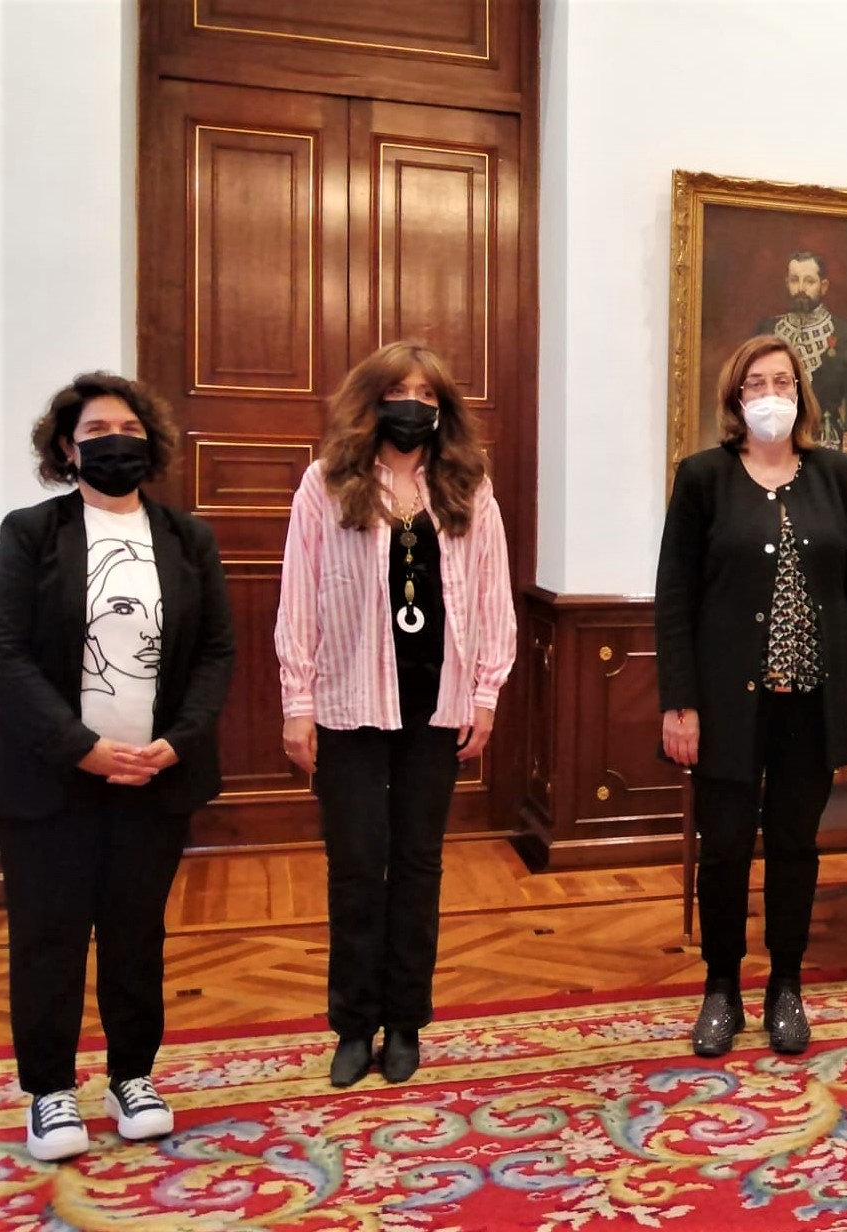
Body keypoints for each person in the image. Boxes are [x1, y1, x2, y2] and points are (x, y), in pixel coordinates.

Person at [0, 373, 234, 1161]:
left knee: (136, 936)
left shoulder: (187, 538)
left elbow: (215, 652)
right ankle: (50, 1090)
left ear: (151, 443)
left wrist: (178, 742)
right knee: (49, 936)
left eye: (129, 429)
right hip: (51, 779)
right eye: (97, 431)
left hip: (154, 779)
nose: (115, 441)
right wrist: (81, 748)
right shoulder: (30, 533)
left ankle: (132, 1076)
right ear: (68, 449)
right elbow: (6, 652)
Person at [276, 341, 516, 1089]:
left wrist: (485, 693)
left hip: (435, 707)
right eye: (398, 391)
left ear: (443, 408)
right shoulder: (326, 483)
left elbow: (492, 595)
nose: (413, 404)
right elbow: (299, 595)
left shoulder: (468, 488)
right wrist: (297, 703)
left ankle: (406, 1020)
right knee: (355, 867)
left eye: (427, 394)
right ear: (372, 401)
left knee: (417, 865)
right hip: (348, 703)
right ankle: (354, 1024)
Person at [656, 334, 847, 1057]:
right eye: (756, 383)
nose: (771, 394)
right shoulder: (702, 477)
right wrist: (680, 703)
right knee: (725, 849)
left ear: (802, 393)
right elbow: (675, 598)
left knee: (795, 847)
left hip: (812, 702)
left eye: (783, 382)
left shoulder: (834, 475)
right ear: (737, 399)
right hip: (726, 704)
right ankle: (721, 990)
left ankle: (785, 987)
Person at [754, 250, 847, 526]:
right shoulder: (767, 331)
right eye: (795, 280)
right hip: (772, 448)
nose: (801, 288)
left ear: (823, 286)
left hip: (827, 445)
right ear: (787, 283)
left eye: (809, 281)